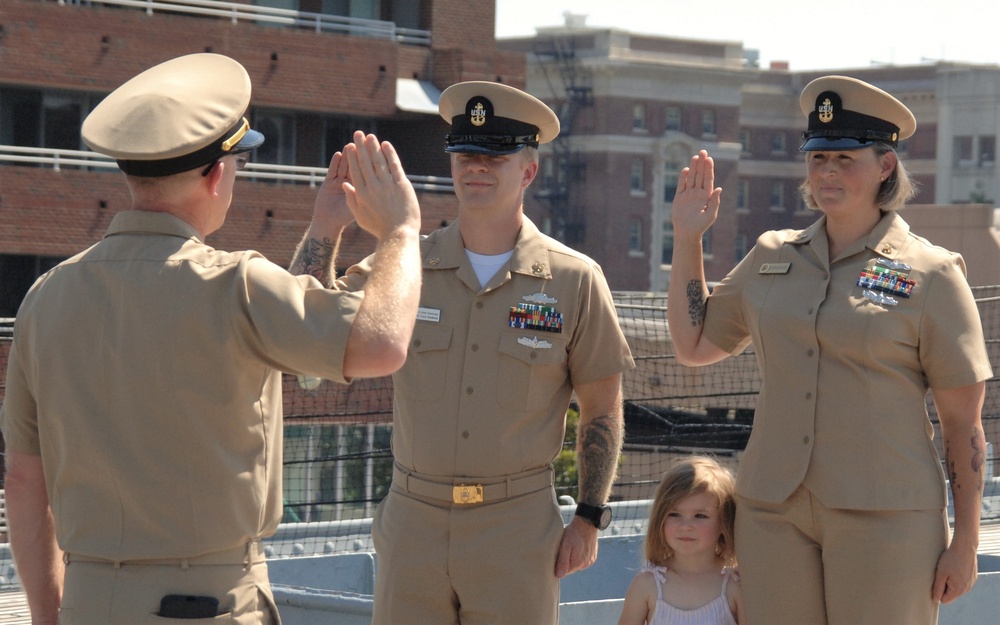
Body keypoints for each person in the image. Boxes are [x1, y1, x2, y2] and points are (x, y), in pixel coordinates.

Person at [0, 53, 422, 624]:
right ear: (217, 174)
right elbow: (382, 344)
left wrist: (53, 615)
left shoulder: (45, 296)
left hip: (89, 602)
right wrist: (400, 230)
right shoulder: (236, 283)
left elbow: (25, 479)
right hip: (206, 603)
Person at [292, 80, 635, 624]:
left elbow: (603, 407)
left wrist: (590, 517)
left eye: (494, 156)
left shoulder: (574, 280)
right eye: (466, 154)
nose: (476, 166)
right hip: (413, 524)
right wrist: (324, 227)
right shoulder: (403, 268)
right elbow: (303, 345)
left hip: (517, 528)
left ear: (528, 170)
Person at [666, 75, 993, 625]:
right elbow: (695, 343)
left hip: (887, 516)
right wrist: (687, 238)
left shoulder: (932, 273)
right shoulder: (774, 256)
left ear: (885, 166)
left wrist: (965, 542)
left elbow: (965, 423)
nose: (828, 173)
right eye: (818, 159)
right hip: (774, 515)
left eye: (845, 158)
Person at [617, 456, 744, 625]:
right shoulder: (646, 584)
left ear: (724, 522)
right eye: (674, 514)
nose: (685, 526)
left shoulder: (735, 585)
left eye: (700, 516)